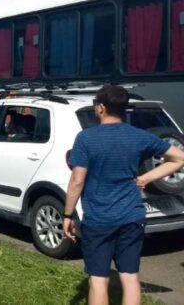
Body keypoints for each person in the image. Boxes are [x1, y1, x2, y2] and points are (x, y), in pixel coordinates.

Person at [63, 85, 184, 305]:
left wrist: (67, 215)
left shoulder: (86, 138)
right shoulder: (139, 136)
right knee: (130, 277)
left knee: (99, 280)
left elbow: (77, 180)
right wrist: (147, 177)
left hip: (98, 220)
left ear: (101, 107)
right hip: (131, 217)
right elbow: (179, 158)